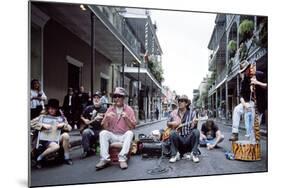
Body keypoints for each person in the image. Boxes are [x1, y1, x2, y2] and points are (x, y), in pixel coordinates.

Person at [95, 87, 136, 170]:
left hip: (123, 136)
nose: (117, 98)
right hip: (113, 135)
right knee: (103, 133)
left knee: (130, 133)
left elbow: (133, 127)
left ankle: (122, 158)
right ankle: (104, 159)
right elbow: (104, 126)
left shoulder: (129, 110)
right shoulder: (110, 109)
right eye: (115, 96)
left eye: (119, 96)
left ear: (123, 98)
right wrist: (106, 117)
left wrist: (127, 118)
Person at [229, 60, 267, 141]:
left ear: (249, 68)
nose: (244, 72)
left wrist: (257, 82)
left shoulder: (260, 74)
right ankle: (235, 133)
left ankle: (252, 145)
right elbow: (241, 95)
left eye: (245, 70)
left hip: (259, 105)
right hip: (248, 103)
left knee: (254, 127)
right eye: (243, 71)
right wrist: (244, 104)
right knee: (236, 110)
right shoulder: (244, 80)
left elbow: (267, 86)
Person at [31, 98, 73, 168]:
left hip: (55, 138)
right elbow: (30, 123)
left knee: (66, 135)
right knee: (56, 146)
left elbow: (70, 128)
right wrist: (42, 125)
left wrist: (63, 125)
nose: (51, 110)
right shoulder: (42, 117)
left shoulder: (60, 118)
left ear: (56, 109)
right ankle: (40, 158)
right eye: (50, 108)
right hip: (45, 140)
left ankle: (67, 157)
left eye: (53, 109)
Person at [168, 95, 200, 163]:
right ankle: (175, 154)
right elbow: (168, 123)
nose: (180, 102)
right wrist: (173, 123)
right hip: (179, 140)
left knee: (196, 131)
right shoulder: (173, 113)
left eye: (182, 101)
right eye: (179, 101)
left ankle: (194, 154)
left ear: (186, 103)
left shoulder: (192, 113)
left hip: (188, 139)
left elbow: (194, 128)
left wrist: (195, 123)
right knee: (172, 132)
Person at [80, 91, 107, 159]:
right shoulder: (88, 108)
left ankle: (104, 150)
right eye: (94, 97)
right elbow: (81, 116)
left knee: (104, 133)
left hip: (101, 129)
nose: (96, 99)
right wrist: (84, 119)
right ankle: (86, 151)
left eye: (98, 98)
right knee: (86, 132)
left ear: (101, 99)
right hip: (91, 129)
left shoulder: (105, 109)